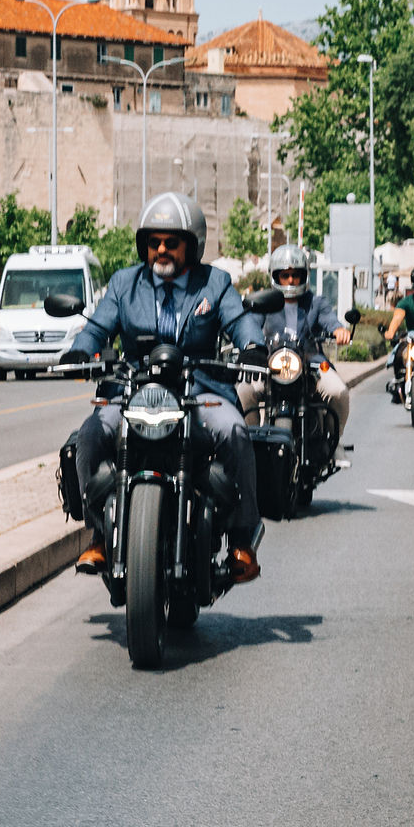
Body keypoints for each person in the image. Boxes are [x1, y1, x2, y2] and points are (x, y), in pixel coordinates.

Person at [65, 193, 269, 583]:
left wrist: (254, 348)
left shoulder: (215, 283)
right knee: (90, 435)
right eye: (154, 242)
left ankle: (242, 540)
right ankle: (98, 535)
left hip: (199, 388)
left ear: (191, 245)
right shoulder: (126, 282)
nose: (161, 249)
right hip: (133, 390)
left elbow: (240, 320)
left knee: (235, 431)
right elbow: (97, 327)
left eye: (170, 242)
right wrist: (80, 350)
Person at [237, 243, 353, 439]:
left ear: (304, 275)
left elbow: (330, 321)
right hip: (270, 365)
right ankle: (252, 439)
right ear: (275, 276)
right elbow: (249, 327)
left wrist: (340, 330)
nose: (291, 280)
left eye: (296, 274)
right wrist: (246, 343)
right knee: (244, 390)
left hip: (311, 364)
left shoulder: (316, 303)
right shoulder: (265, 301)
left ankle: (334, 440)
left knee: (338, 392)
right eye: (285, 275)